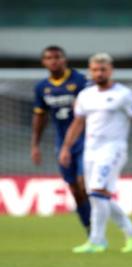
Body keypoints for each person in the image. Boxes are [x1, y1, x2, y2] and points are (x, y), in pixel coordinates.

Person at [59, 53, 132, 254]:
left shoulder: (124, 94)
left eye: (103, 69)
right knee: (97, 196)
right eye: (95, 69)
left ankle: (97, 241)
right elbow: (77, 123)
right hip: (90, 151)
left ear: (110, 70)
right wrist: (66, 147)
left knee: (98, 193)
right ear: (90, 71)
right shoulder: (85, 95)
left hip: (113, 149)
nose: (99, 73)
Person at [31, 46, 91, 236]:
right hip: (62, 143)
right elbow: (40, 117)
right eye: (49, 58)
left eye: (57, 57)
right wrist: (35, 145)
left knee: (84, 183)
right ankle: (89, 226)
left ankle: (97, 227)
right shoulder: (42, 88)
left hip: (86, 140)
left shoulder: (81, 81)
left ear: (65, 59)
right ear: (43, 62)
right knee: (74, 188)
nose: (54, 61)